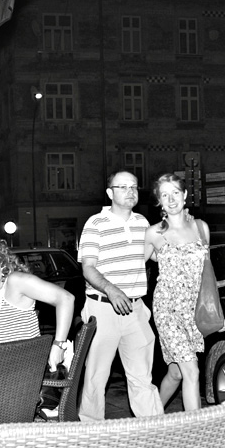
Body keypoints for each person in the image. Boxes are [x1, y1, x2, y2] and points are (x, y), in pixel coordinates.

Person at [77, 170, 164, 421]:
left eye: (134, 187)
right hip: (103, 307)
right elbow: (88, 268)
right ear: (109, 193)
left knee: (142, 376)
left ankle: (154, 430)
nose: (130, 192)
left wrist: (177, 230)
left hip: (135, 309)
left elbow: (155, 256)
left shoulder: (143, 223)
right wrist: (112, 290)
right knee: (95, 376)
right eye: (122, 187)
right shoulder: (95, 223)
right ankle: (92, 430)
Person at [144, 173, 211, 411]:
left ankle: (150, 417)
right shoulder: (154, 233)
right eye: (165, 195)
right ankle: (196, 430)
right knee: (192, 371)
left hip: (193, 310)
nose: (171, 199)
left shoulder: (201, 228)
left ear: (185, 195)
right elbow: (138, 267)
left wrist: (215, 310)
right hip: (168, 309)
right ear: (159, 201)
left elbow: (207, 274)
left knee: (176, 373)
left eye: (175, 192)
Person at [0, 234, 74, 369]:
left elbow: (65, 298)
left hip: (23, 369)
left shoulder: (15, 281)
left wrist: (59, 344)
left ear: (0, 260)